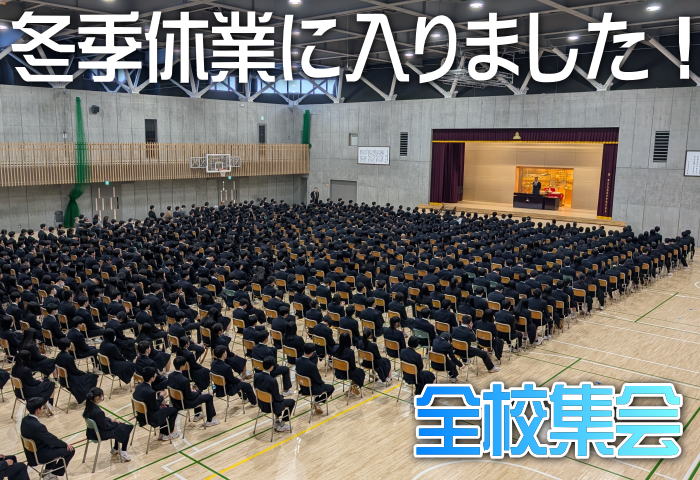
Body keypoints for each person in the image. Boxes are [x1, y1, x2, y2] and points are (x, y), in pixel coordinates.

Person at [20, 397, 75, 479]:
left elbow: (48, 438)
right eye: (43, 408)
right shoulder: (38, 426)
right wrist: (65, 445)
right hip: (39, 456)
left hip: (30, 454)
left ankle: (47, 470)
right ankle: (52, 475)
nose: (44, 409)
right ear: (38, 410)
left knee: (54, 446)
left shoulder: (24, 420)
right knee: (71, 450)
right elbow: (51, 440)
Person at [83, 387, 134, 462]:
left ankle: (115, 448)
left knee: (120, 427)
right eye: (101, 396)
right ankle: (123, 451)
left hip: (92, 432)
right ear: (97, 398)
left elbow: (100, 419)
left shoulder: (89, 406)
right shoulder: (98, 412)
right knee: (125, 428)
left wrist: (110, 420)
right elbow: (105, 426)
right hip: (100, 434)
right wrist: (115, 423)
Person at [168, 356, 220, 426]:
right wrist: (197, 391)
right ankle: (209, 420)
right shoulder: (184, 380)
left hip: (176, 402)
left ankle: (198, 414)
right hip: (186, 403)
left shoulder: (170, 376)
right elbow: (190, 396)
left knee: (199, 394)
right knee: (209, 397)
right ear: (182, 366)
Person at [132, 367, 179, 441]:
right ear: (151, 378)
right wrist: (161, 397)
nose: (156, 375)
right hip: (151, 418)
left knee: (165, 407)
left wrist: (159, 401)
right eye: (155, 375)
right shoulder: (150, 392)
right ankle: (167, 434)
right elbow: (156, 407)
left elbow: (150, 403)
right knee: (174, 410)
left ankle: (162, 433)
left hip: (141, 415)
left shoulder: (138, 387)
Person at [253, 356, 295, 433]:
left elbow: (255, 387)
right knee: (291, 402)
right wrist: (281, 397)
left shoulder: (256, 375)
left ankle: (277, 421)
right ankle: (282, 425)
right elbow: (277, 398)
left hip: (261, 404)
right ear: (272, 367)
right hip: (271, 407)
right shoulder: (272, 380)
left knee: (277, 400)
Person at [54, 337, 98, 405]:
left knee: (88, 375)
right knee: (93, 376)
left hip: (62, 379)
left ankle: (85, 395)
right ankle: (87, 396)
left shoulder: (58, 355)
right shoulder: (69, 357)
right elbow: (75, 371)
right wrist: (84, 373)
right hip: (70, 380)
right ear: (68, 346)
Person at [295, 343, 334, 415]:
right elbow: (318, 380)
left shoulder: (297, 360)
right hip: (310, 389)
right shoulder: (312, 365)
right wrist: (322, 383)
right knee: (330, 388)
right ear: (312, 352)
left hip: (302, 387)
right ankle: (317, 402)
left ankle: (316, 402)